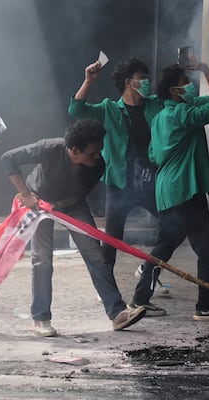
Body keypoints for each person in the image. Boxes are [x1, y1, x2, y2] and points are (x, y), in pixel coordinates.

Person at [0, 118, 146, 337]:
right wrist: (26, 194)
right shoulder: (49, 148)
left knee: (95, 255)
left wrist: (57, 206)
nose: (97, 157)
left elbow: (78, 195)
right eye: (92, 153)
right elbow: (8, 158)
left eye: (99, 152)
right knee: (42, 260)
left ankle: (117, 313)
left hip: (71, 204)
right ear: (74, 150)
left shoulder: (97, 166)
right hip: (38, 203)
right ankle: (40, 318)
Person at [130, 59, 209, 321]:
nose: (190, 87)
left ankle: (140, 299)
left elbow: (154, 154)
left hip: (168, 190)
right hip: (186, 191)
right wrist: (207, 70)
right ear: (174, 91)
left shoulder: (161, 117)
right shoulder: (181, 115)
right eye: (185, 83)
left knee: (163, 249)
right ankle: (205, 306)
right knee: (208, 251)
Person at [68, 56, 169, 316]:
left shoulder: (154, 106)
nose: (147, 83)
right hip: (120, 184)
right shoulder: (109, 109)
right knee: (110, 242)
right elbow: (76, 111)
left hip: (150, 184)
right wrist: (88, 80)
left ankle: (144, 288)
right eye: (142, 79)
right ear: (129, 82)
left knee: (170, 230)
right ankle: (110, 298)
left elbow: (182, 108)